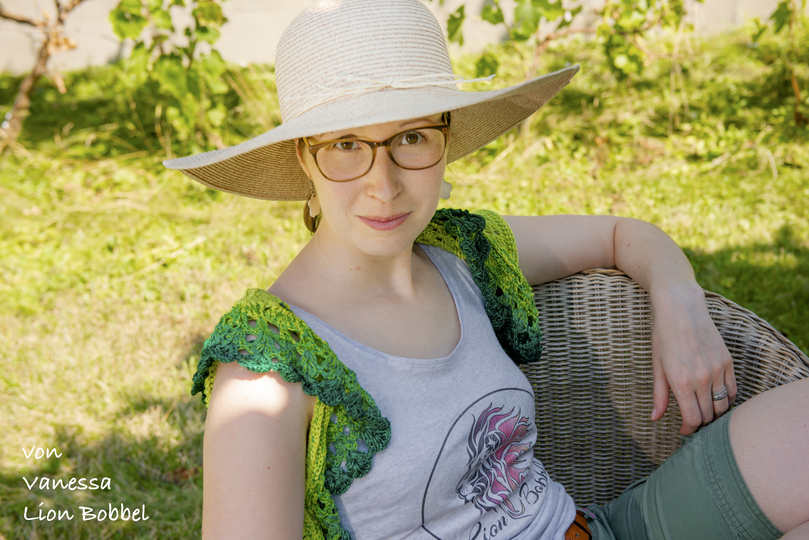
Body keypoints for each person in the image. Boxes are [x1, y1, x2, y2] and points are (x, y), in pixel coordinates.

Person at [163, 1, 809, 538]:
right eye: (346, 145)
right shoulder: (265, 371)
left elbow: (623, 235)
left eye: (411, 137)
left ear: (446, 137)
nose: (383, 185)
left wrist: (678, 302)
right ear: (303, 158)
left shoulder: (460, 253)